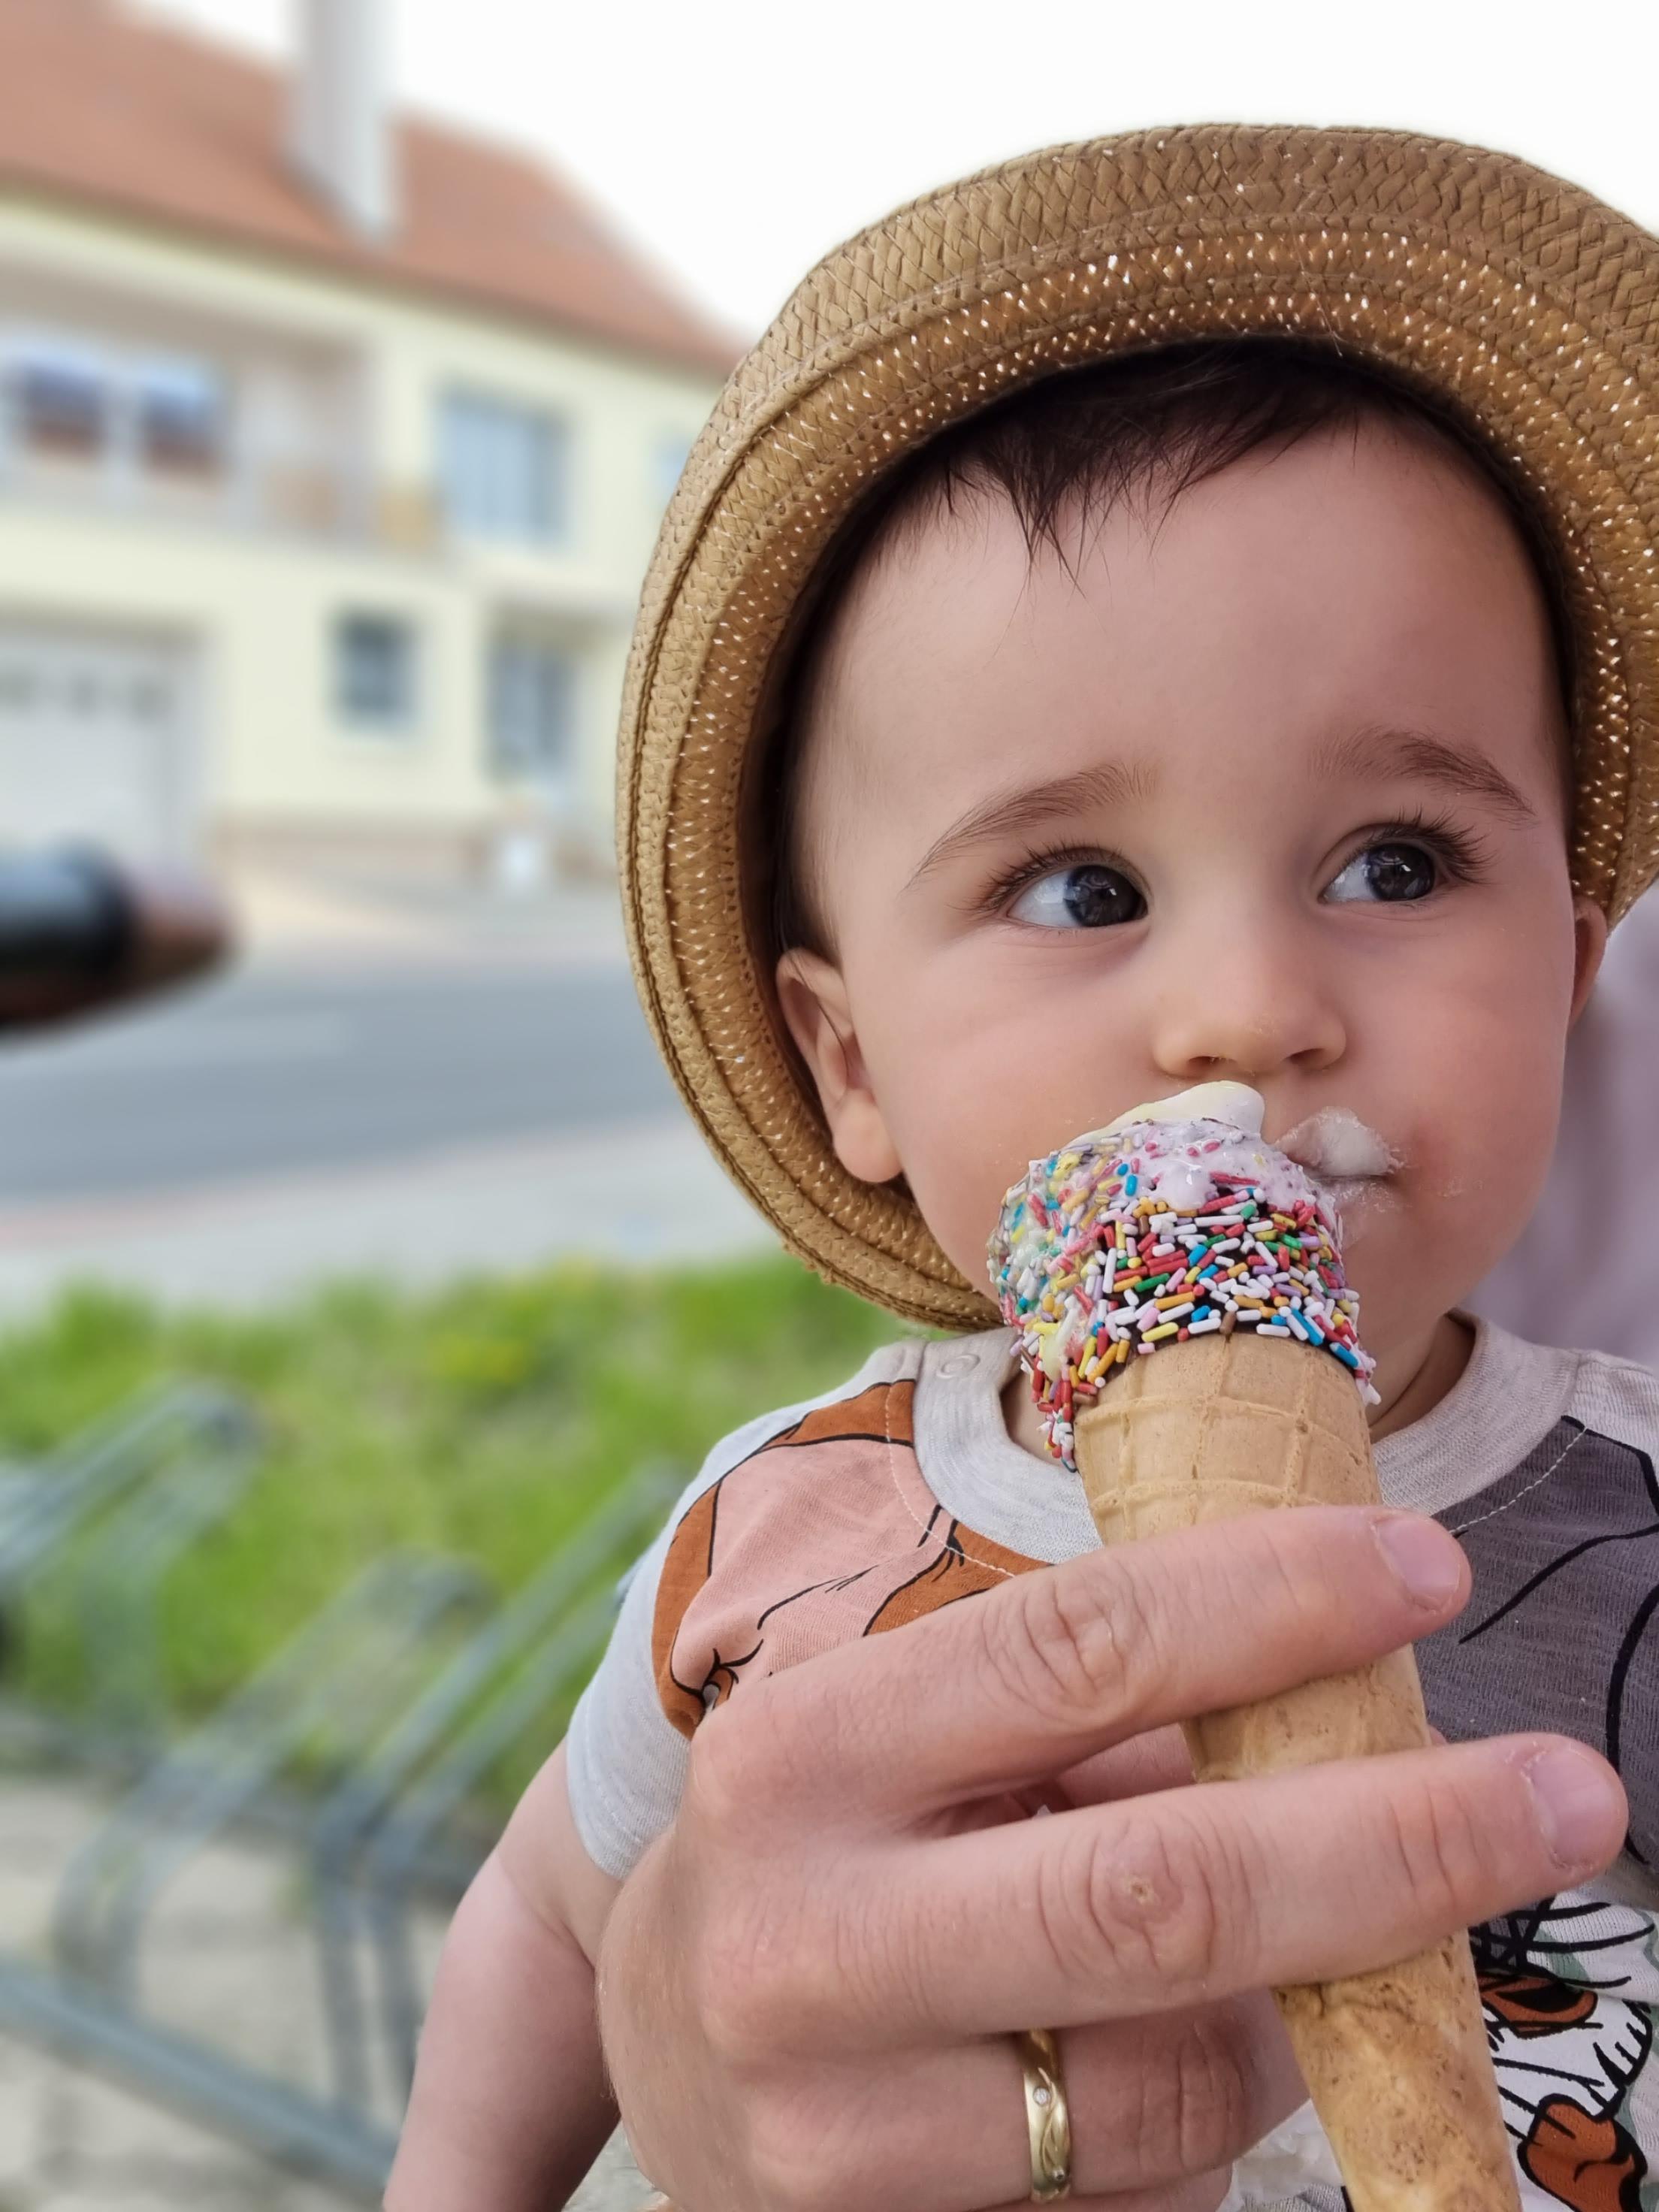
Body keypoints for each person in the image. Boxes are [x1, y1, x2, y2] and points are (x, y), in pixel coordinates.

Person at [387, 125, 1659, 2212]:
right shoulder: (784, 1532)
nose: (1249, 1007)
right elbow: (549, 1918)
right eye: (1081, 886)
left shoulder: (1633, 1511)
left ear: (1575, 976)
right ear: (853, 1060)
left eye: (1396, 864)